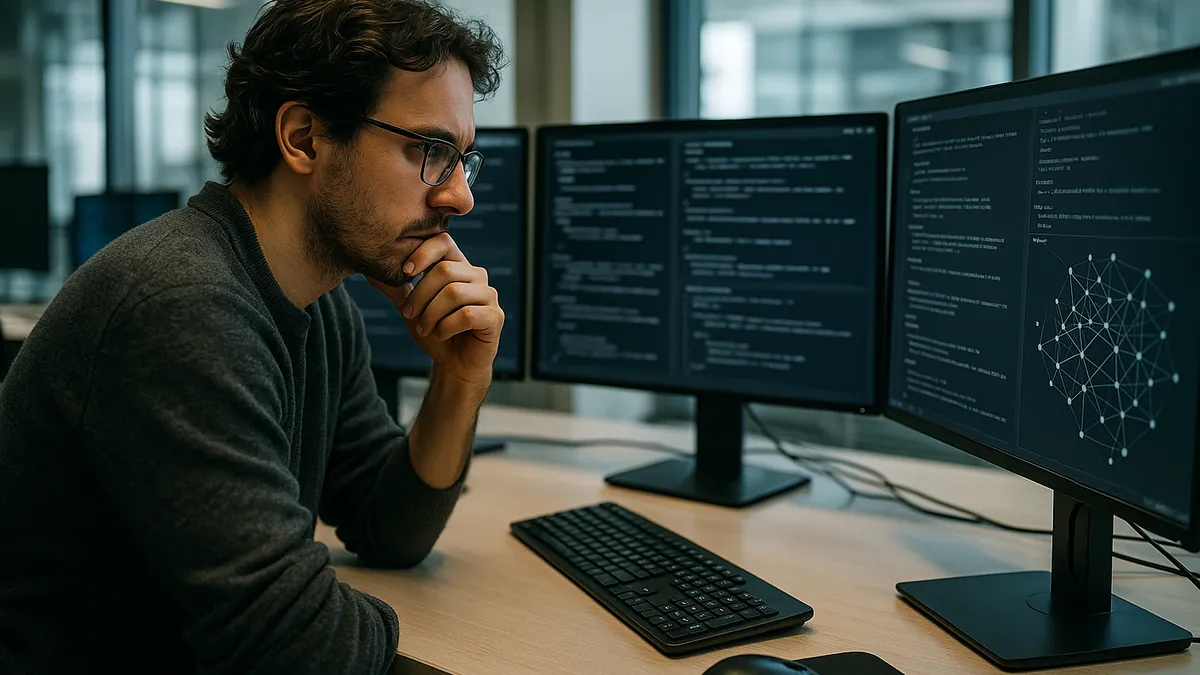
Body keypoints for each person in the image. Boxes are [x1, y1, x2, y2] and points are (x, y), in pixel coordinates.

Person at [0, 1, 506, 673]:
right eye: (430, 151)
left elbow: (390, 525)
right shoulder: (181, 302)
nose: (459, 198)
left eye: (462, 160)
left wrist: (460, 379)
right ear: (303, 137)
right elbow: (292, 644)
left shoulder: (318, 303)